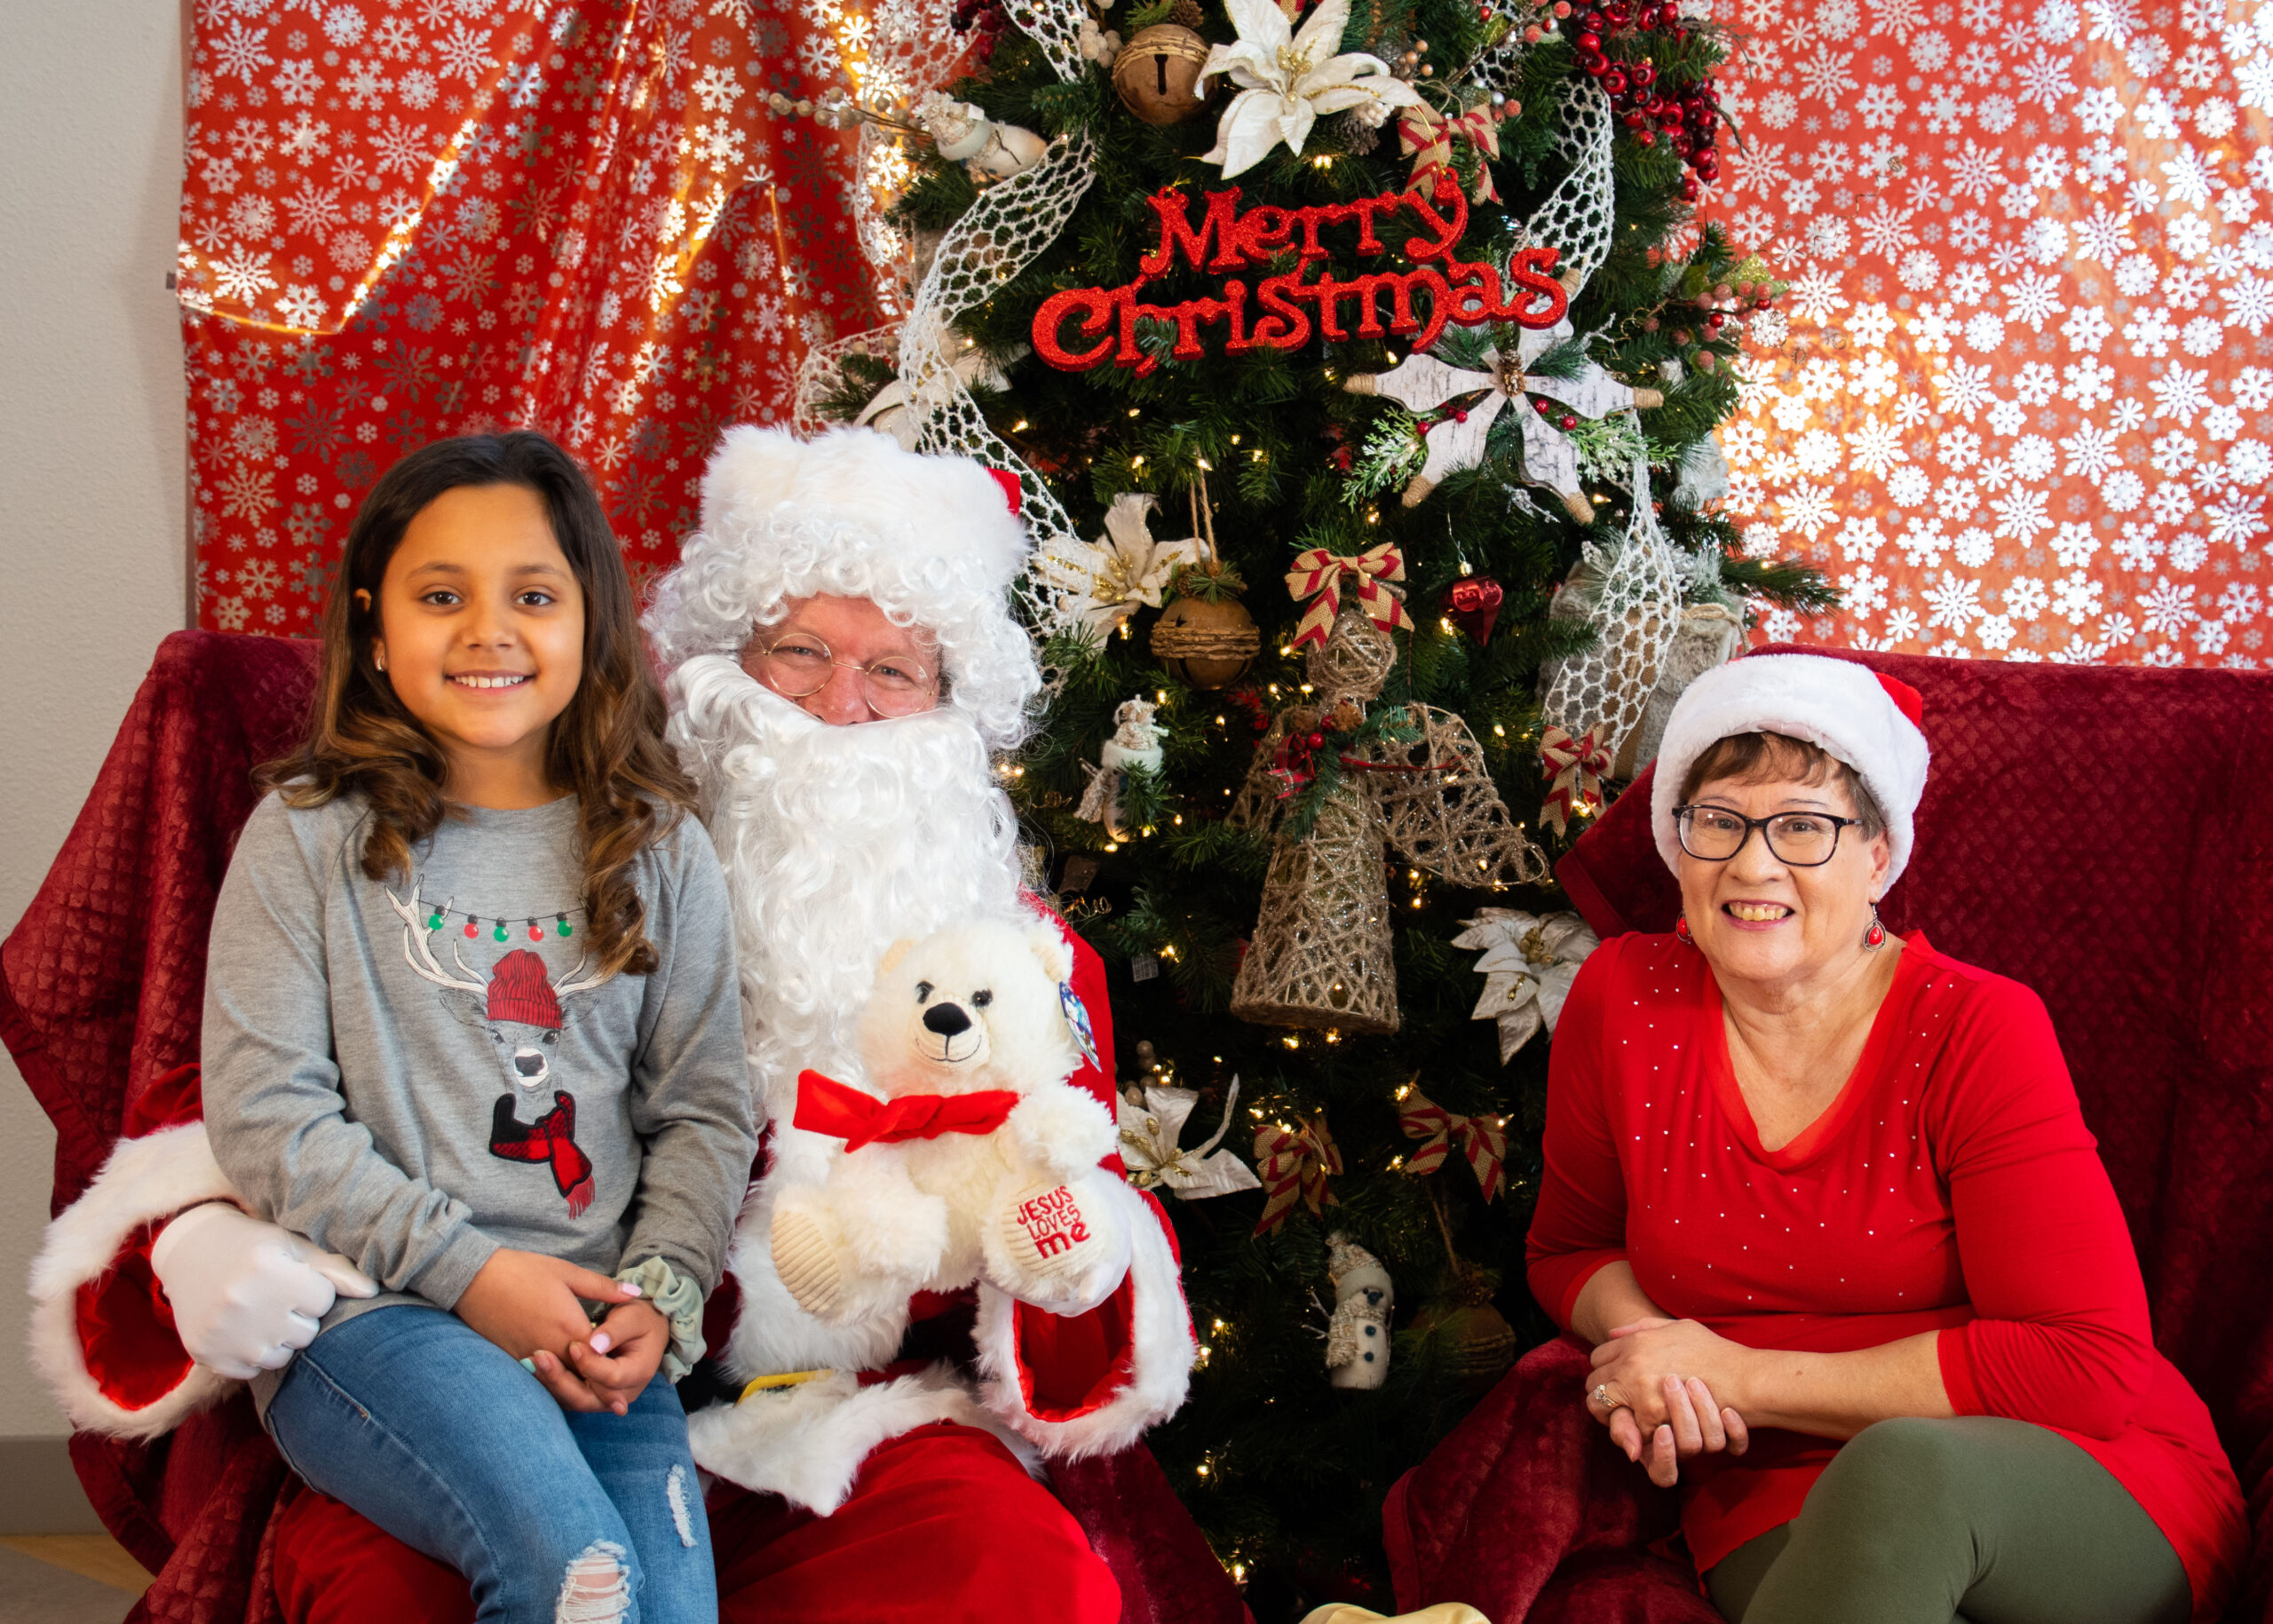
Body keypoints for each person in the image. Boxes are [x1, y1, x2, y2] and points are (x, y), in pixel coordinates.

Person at [30, 426, 1206, 1624]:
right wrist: (192, 1231)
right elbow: (257, 1082)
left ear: (951, 704)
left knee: (1015, 1577)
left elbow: (1055, 1211)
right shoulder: (566, 822)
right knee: (400, 1583)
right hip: (458, 1343)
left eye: (894, 672)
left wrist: (1065, 1243)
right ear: (712, 661)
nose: (842, 708)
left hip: (830, 1420)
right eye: (797, 651)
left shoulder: (1011, 964)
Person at [1526, 653, 2246, 1623]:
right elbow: (1570, 1248)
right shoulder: (1621, 995)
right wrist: (1655, 1346)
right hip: (1769, 1488)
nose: (1751, 862)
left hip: (2065, 1467)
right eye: (1718, 819)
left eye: (1803, 826)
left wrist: (1737, 1372)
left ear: (1878, 854)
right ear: (1674, 841)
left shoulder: (1975, 1026)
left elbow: (2087, 1366)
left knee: (1901, 1468)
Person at [196, 432, 756, 1622]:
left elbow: (703, 1107)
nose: (487, 630)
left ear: (589, 622)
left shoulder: (663, 850)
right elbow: (268, 1118)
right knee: (573, 1570)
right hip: (376, 1319)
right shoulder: (306, 840)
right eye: (440, 595)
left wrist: (656, 1291)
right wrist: (476, 1274)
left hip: (597, 1330)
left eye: (533, 596)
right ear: (376, 622)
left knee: (662, 1611)